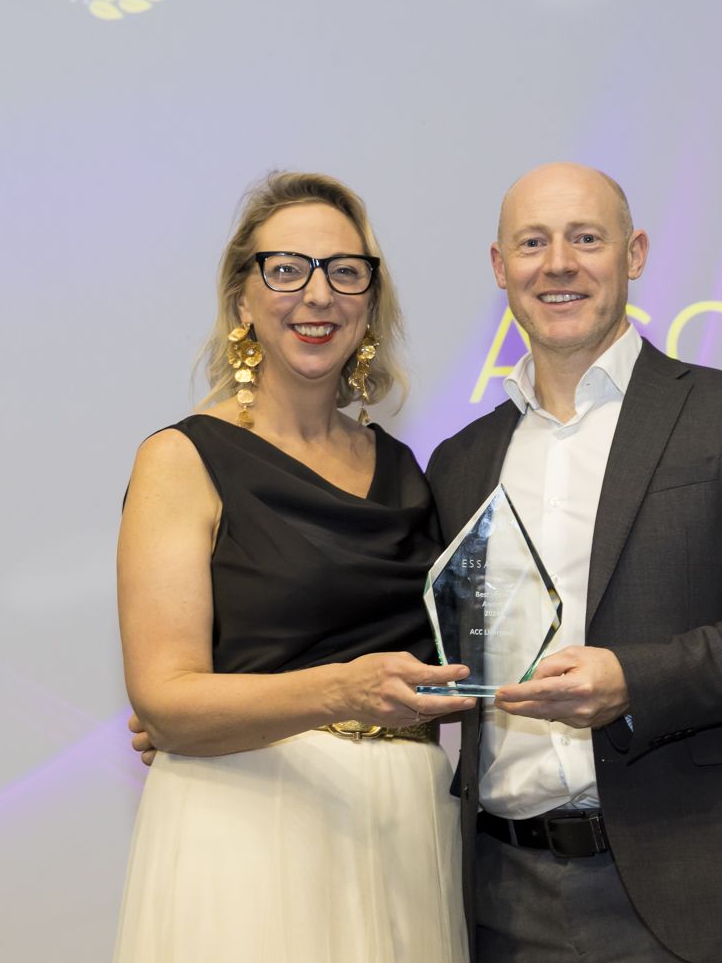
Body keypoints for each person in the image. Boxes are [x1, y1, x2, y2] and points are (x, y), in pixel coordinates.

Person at [426, 163, 722, 962]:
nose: (558, 264)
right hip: (504, 898)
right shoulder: (459, 461)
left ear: (635, 253)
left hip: (701, 881)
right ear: (499, 267)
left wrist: (633, 680)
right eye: (532, 243)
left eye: (585, 238)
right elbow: (437, 645)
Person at [113, 172, 476, 963]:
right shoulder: (181, 459)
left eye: (344, 272)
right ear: (242, 298)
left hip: (405, 833)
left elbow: (459, 665)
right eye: (285, 269)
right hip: (248, 827)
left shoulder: (408, 471)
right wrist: (339, 691)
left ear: (369, 303)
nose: (317, 295)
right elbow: (165, 703)